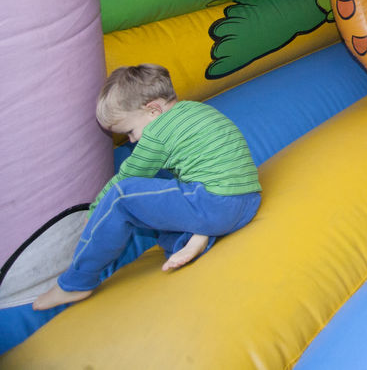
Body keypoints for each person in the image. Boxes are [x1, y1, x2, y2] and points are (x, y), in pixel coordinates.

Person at [33, 64, 261, 310]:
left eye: (130, 132)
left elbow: (126, 177)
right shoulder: (196, 109)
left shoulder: (157, 133)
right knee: (159, 205)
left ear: (153, 110)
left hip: (215, 204)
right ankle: (196, 237)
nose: (133, 141)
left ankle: (75, 283)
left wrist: (97, 209)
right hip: (247, 201)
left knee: (121, 198)